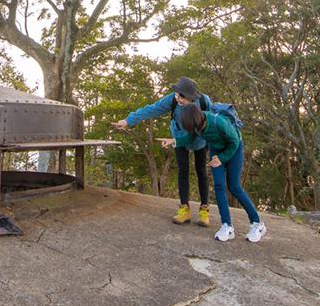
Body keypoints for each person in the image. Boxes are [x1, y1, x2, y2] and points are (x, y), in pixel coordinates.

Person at [111, 77, 212, 226]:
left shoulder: (204, 102)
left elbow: (210, 123)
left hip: (199, 139)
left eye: (181, 97)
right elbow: (152, 109)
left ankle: (204, 210)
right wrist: (128, 121)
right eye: (176, 95)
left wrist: (213, 145)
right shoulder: (173, 99)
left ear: (191, 98)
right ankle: (184, 209)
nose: (177, 99)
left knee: (201, 170)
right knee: (183, 170)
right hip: (177, 136)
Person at [175, 102, 265, 243]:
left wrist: (222, 159)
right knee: (218, 186)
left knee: (234, 187)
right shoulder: (196, 126)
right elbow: (189, 138)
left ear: (196, 119)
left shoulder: (218, 121)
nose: (190, 129)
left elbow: (234, 142)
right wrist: (174, 141)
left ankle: (257, 223)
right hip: (216, 149)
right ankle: (227, 226)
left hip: (233, 148)